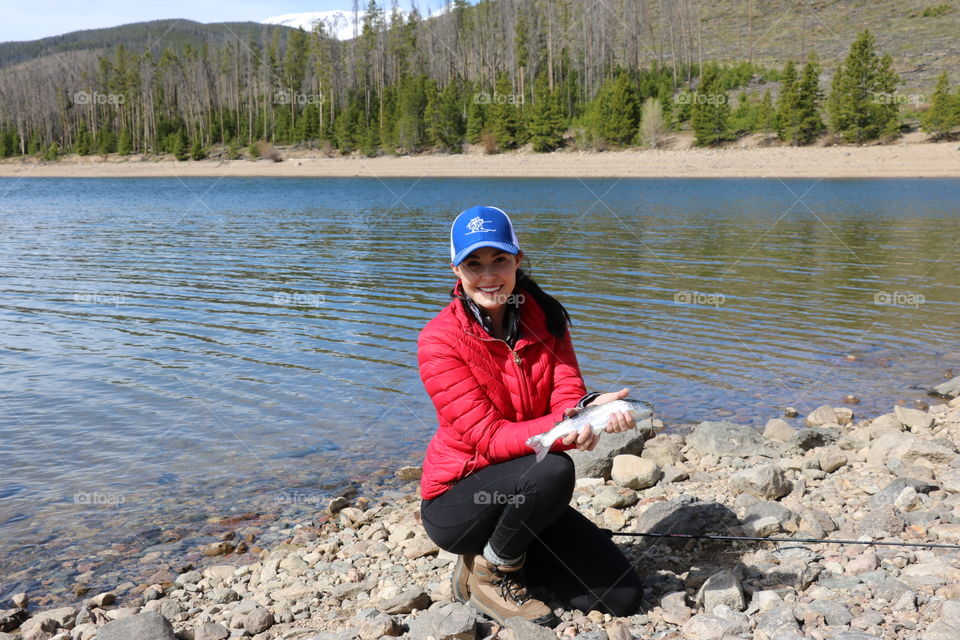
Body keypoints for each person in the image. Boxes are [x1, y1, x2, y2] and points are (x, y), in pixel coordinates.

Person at [417, 205, 646, 627]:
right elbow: (488, 438)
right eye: (474, 263)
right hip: (458, 501)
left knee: (621, 596)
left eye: (499, 260)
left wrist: (587, 412)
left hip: (525, 493)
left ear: (517, 261)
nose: (488, 274)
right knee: (553, 470)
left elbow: (567, 392)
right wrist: (569, 429)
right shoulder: (439, 342)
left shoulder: (548, 317)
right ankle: (487, 572)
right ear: (456, 270)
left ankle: (510, 554)